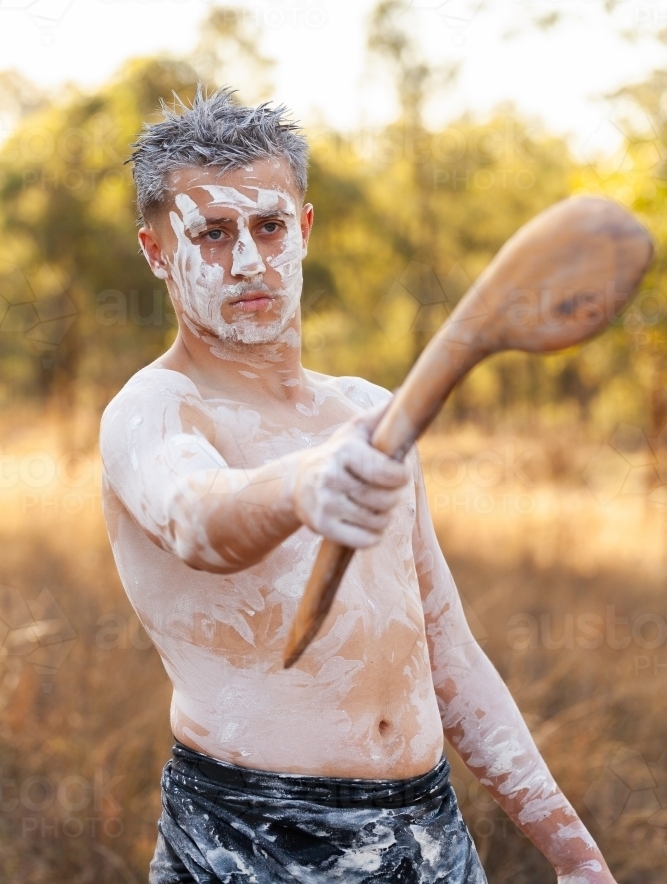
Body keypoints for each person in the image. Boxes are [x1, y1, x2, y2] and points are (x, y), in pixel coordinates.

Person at [100, 88, 617, 884]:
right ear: (155, 251)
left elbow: (444, 648)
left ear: (302, 230)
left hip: (429, 833)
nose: (246, 261)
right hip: (255, 836)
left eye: (268, 226)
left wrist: (574, 854)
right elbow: (195, 519)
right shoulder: (154, 409)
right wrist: (304, 483)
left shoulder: (371, 412)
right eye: (210, 234)